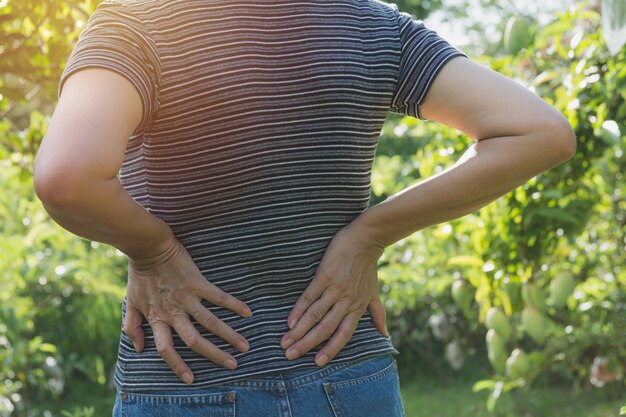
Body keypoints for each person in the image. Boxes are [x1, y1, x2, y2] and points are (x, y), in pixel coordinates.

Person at [32, 0, 576, 415]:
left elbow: (68, 178)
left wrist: (153, 250)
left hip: (191, 376)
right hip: (349, 370)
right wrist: (370, 236)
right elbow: (541, 131)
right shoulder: (371, 24)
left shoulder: (137, 23)